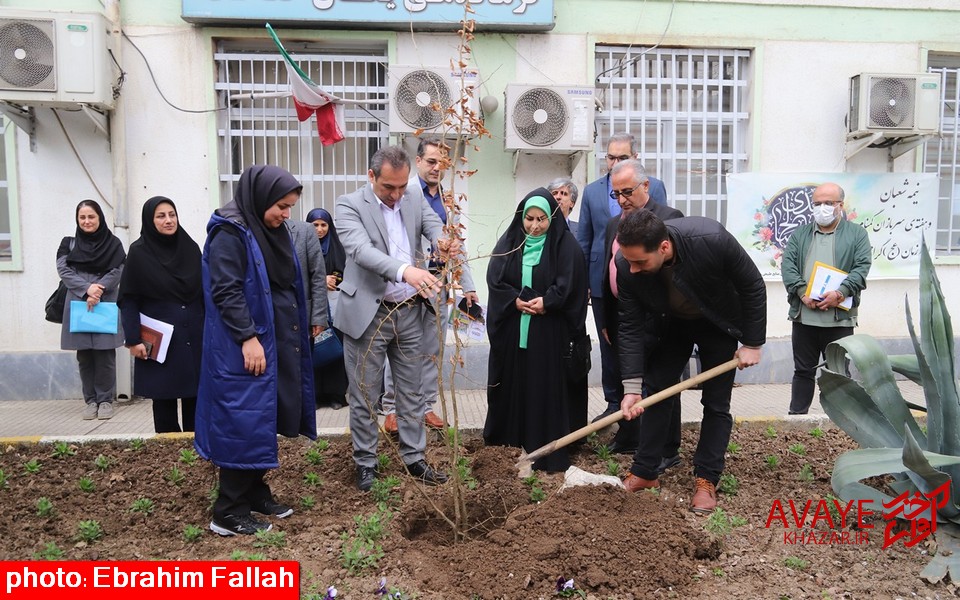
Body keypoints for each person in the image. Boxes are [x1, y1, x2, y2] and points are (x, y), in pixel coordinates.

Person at [615, 210, 765, 513]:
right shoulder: (625, 263)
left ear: (664, 248)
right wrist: (631, 387)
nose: (631, 270)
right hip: (671, 324)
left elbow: (752, 285)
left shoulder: (711, 239)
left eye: (640, 262)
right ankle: (645, 472)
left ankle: (706, 479)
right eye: (629, 261)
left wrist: (752, 343)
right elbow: (629, 326)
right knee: (656, 390)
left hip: (717, 322)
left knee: (716, 402)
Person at [196, 164, 316, 536]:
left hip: (274, 339)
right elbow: (226, 290)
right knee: (243, 421)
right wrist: (249, 338)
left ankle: (254, 492)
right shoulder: (230, 233)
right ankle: (228, 511)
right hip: (244, 345)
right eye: (281, 205)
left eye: (290, 206)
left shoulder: (265, 229)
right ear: (260, 197)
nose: (286, 214)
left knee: (264, 415)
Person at [334, 145, 452, 492]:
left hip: (410, 312)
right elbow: (361, 251)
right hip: (369, 314)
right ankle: (366, 463)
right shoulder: (349, 205)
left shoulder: (413, 197)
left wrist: (443, 241)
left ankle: (414, 458)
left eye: (402, 187)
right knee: (365, 393)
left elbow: (433, 224)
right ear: (372, 177)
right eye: (389, 188)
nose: (396, 195)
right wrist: (406, 271)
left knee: (412, 390)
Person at [381, 136, 481, 433]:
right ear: (419, 161)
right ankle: (392, 409)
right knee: (400, 347)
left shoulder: (450, 199)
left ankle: (424, 406)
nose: (437, 167)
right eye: (432, 161)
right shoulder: (405, 193)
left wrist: (467, 285)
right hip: (409, 284)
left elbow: (457, 245)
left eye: (443, 163)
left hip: (440, 286)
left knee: (431, 349)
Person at [484, 189, 589, 472]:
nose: (534, 226)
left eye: (542, 219)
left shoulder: (566, 246)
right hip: (513, 333)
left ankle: (545, 451)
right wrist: (513, 300)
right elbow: (496, 281)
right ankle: (507, 445)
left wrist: (548, 302)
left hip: (548, 335)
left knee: (542, 388)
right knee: (512, 386)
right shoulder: (509, 244)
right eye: (529, 219)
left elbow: (572, 284)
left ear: (553, 218)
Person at [577, 133, 668, 423]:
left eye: (622, 157)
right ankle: (613, 402)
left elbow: (662, 228)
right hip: (604, 281)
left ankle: (643, 403)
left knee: (642, 343)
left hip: (643, 282)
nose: (614, 162)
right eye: (610, 157)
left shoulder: (655, 187)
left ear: (635, 158)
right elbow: (585, 240)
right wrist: (587, 284)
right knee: (609, 343)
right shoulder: (592, 192)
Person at [600, 160, 683, 459]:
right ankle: (630, 437)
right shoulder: (614, 224)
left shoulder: (670, 218)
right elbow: (606, 270)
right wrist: (605, 319)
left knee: (663, 384)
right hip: (625, 317)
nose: (622, 200)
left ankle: (668, 448)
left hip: (660, 319)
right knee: (630, 379)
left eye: (627, 192)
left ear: (645, 186)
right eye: (616, 194)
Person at [781, 182, 871, 415]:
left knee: (839, 372)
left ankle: (845, 419)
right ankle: (797, 417)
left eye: (828, 203)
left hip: (838, 317)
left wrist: (840, 293)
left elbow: (861, 268)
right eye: (817, 203)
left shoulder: (857, 234)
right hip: (804, 316)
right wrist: (802, 293)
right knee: (803, 370)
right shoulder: (800, 234)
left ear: (840, 205)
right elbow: (788, 266)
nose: (822, 208)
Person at [118, 196, 203, 433]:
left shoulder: (190, 247)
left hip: (193, 335)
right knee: (163, 400)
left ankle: (196, 453)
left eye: (172, 214)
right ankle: (170, 457)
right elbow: (128, 299)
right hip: (159, 340)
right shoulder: (139, 252)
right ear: (150, 219)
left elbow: (204, 292)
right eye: (161, 216)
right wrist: (133, 340)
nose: (168, 220)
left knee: (195, 399)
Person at [57, 199, 126, 421]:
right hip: (79, 301)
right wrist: (86, 289)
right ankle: (91, 401)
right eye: (82, 217)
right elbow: (63, 270)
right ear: (77, 220)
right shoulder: (68, 244)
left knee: (105, 354)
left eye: (91, 217)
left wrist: (98, 290)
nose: (87, 221)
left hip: (104, 300)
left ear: (99, 218)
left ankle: (105, 400)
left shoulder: (113, 243)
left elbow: (119, 269)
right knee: (84, 355)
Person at [305, 208, 348, 410]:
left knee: (334, 348)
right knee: (313, 350)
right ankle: (314, 396)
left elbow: (345, 271)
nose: (319, 229)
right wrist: (320, 280)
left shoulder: (337, 247)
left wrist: (334, 279)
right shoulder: (301, 246)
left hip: (335, 308)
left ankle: (336, 395)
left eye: (323, 225)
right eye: (315, 225)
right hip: (311, 308)